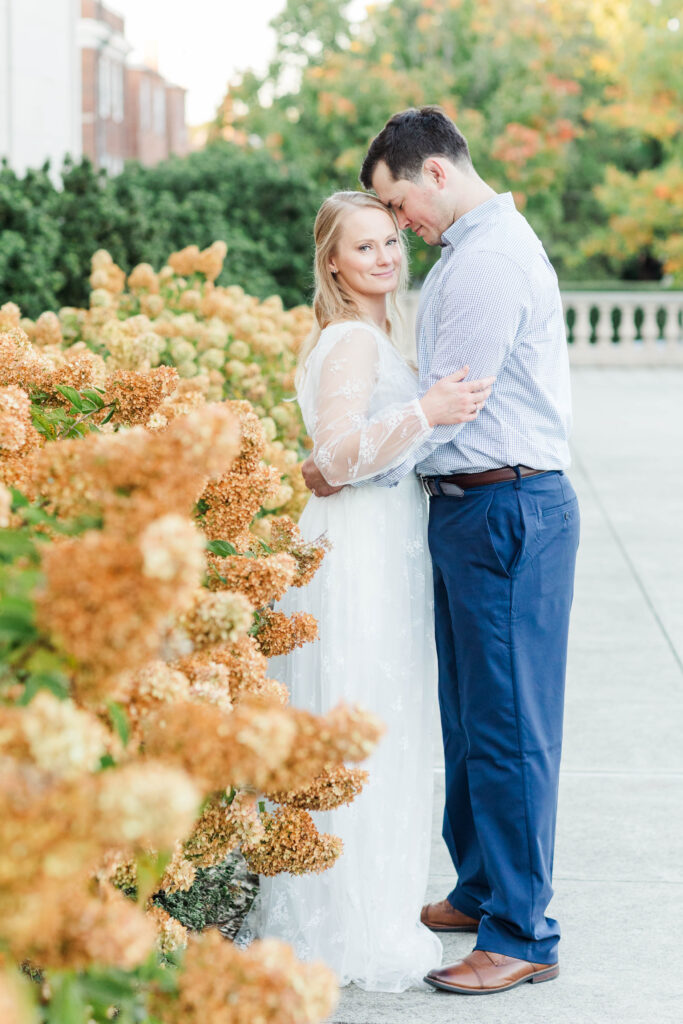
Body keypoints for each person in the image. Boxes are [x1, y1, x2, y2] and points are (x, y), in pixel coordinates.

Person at [303, 107, 580, 995]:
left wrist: (337, 467)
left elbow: (445, 409)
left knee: (507, 732)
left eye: (397, 208)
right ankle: (480, 886)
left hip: (504, 507)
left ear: (431, 174)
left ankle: (520, 935)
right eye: (375, 229)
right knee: (470, 721)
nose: (400, 232)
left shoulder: (487, 262)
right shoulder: (467, 254)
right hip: (473, 509)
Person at [245, 189, 494, 992]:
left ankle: (363, 908)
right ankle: (344, 923)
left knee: (380, 721)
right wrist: (426, 409)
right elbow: (336, 453)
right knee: (357, 719)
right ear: (333, 263)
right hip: (353, 551)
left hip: (385, 542)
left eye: (390, 240)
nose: (385, 256)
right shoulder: (350, 339)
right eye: (364, 248)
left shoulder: (376, 332)